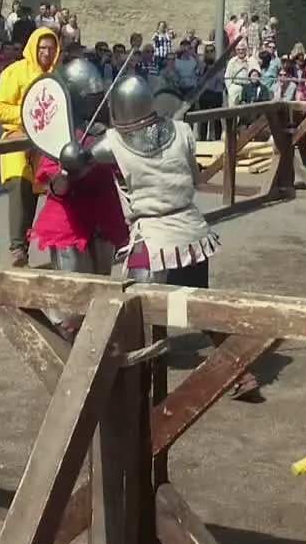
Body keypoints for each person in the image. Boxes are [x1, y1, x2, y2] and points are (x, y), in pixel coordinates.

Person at [72, 74, 261, 400]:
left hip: (152, 237)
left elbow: (80, 159)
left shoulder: (112, 143)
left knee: (136, 313)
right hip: (191, 231)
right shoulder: (184, 131)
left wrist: (71, 156)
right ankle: (242, 374)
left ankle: (137, 389)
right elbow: (193, 176)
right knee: (200, 307)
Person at [27, 59, 128, 339]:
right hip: (69, 219)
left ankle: (98, 352)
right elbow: (55, 186)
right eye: (90, 96)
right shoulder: (56, 135)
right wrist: (69, 170)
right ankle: (69, 356)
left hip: (103, 215)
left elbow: (126, 165)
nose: (96, 100)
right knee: (72, 302)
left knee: (102, 294)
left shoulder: (106, 131)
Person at [0, 27, 61, 266]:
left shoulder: (56, 77)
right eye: (42, 48)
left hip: (50, 141)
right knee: (21, 187)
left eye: (51, 48)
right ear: (33, 47)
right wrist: (28, 116)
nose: (47, 52)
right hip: (18, 138)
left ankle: (66, 245)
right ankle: (18, 250)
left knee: (63, 189)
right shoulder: (14, 72)